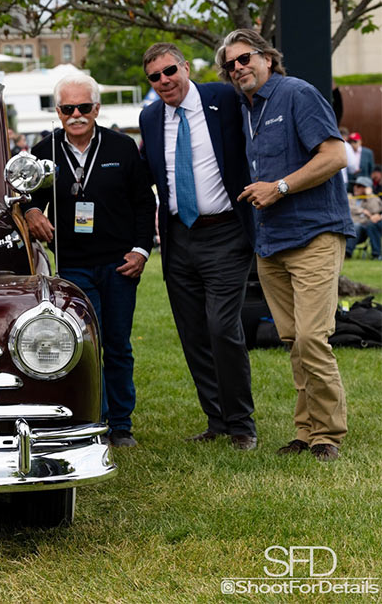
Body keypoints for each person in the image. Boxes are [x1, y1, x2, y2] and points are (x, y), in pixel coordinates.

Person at [217, 28, 354, 461]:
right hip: (271, 241)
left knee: (313, 338)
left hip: (314, 233)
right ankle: (305, 430)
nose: (238, 68)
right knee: (294, 340)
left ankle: (327, 435)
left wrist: (279, 186)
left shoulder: (297, 93)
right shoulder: (246, 108)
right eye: (231, 64)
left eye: (245, 59)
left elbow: (335, 156)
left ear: (267, 59)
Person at [22, 72, 156, 448]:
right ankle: (89, 419)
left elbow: (145, 204)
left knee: (117, 345)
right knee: (82, 347)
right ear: (58, 111)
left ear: (97, 109)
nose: (76, 114)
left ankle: (121, 425)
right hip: (73, 265)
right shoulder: (44, 151)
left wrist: (141, 250)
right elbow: (24, 196)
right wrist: (33, 212)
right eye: (68, 108)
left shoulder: (122, 147)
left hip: (118, 264)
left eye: (84, 107)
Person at [138, 42, 258, 450]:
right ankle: (217, 421)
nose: (164, 81)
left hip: (226, 231)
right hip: (178, 237)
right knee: (193, 333)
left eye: (170, 71)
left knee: (223, 326)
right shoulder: (151, 116)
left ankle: (241, 424)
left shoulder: (223, 98)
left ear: (186, 67)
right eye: (154, 77)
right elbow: (143, 177)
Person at [346, 176, 382, 259]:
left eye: (359, 186)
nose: (355, 188)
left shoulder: (371, 199)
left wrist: (369, 195)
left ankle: (347, 253)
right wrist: (362, 211)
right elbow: (346, 207)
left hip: (362, 231)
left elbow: (376, 210)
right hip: (346, 227)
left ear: (366, 188)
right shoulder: (349, 197)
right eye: (355, 185)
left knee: (357, 226)